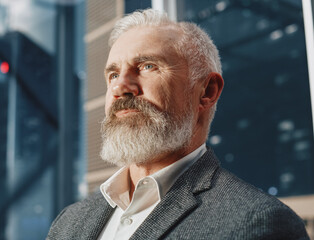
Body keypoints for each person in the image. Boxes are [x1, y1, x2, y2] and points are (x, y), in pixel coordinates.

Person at [47, 9, 309, 239]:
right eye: (113, 74)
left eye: (148, 66)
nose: (120, 86)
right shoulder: (68, 222)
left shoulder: (261, 224)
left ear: (206, 92)